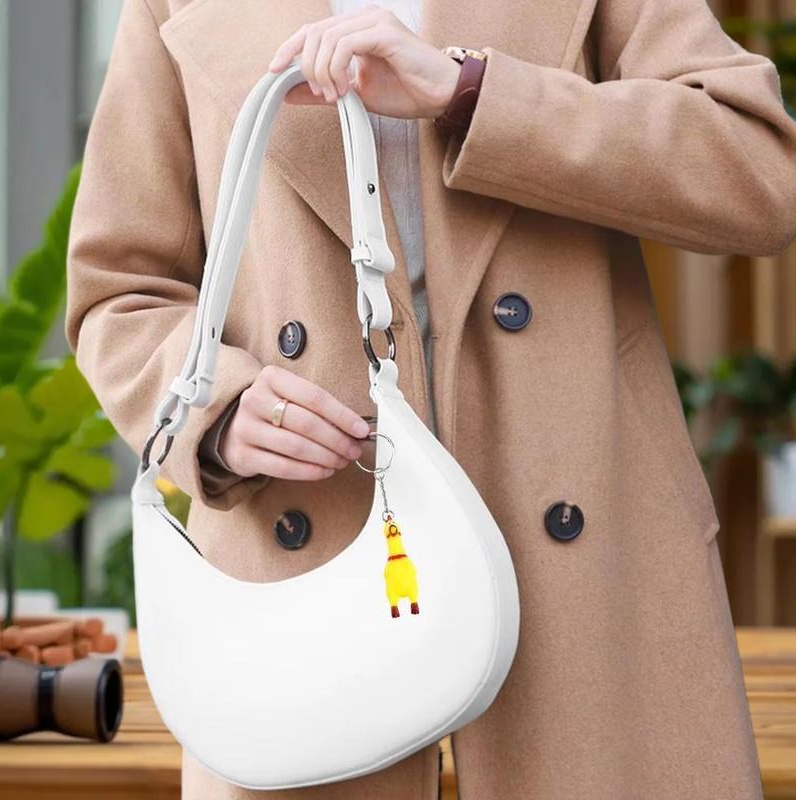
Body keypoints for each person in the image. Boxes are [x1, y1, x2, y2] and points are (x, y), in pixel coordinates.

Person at [64, 1, 796, 798]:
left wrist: (470, 91)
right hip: (303, 577)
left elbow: (758, 170)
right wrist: (221, 414)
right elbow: (118, 290)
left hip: (586, 567)